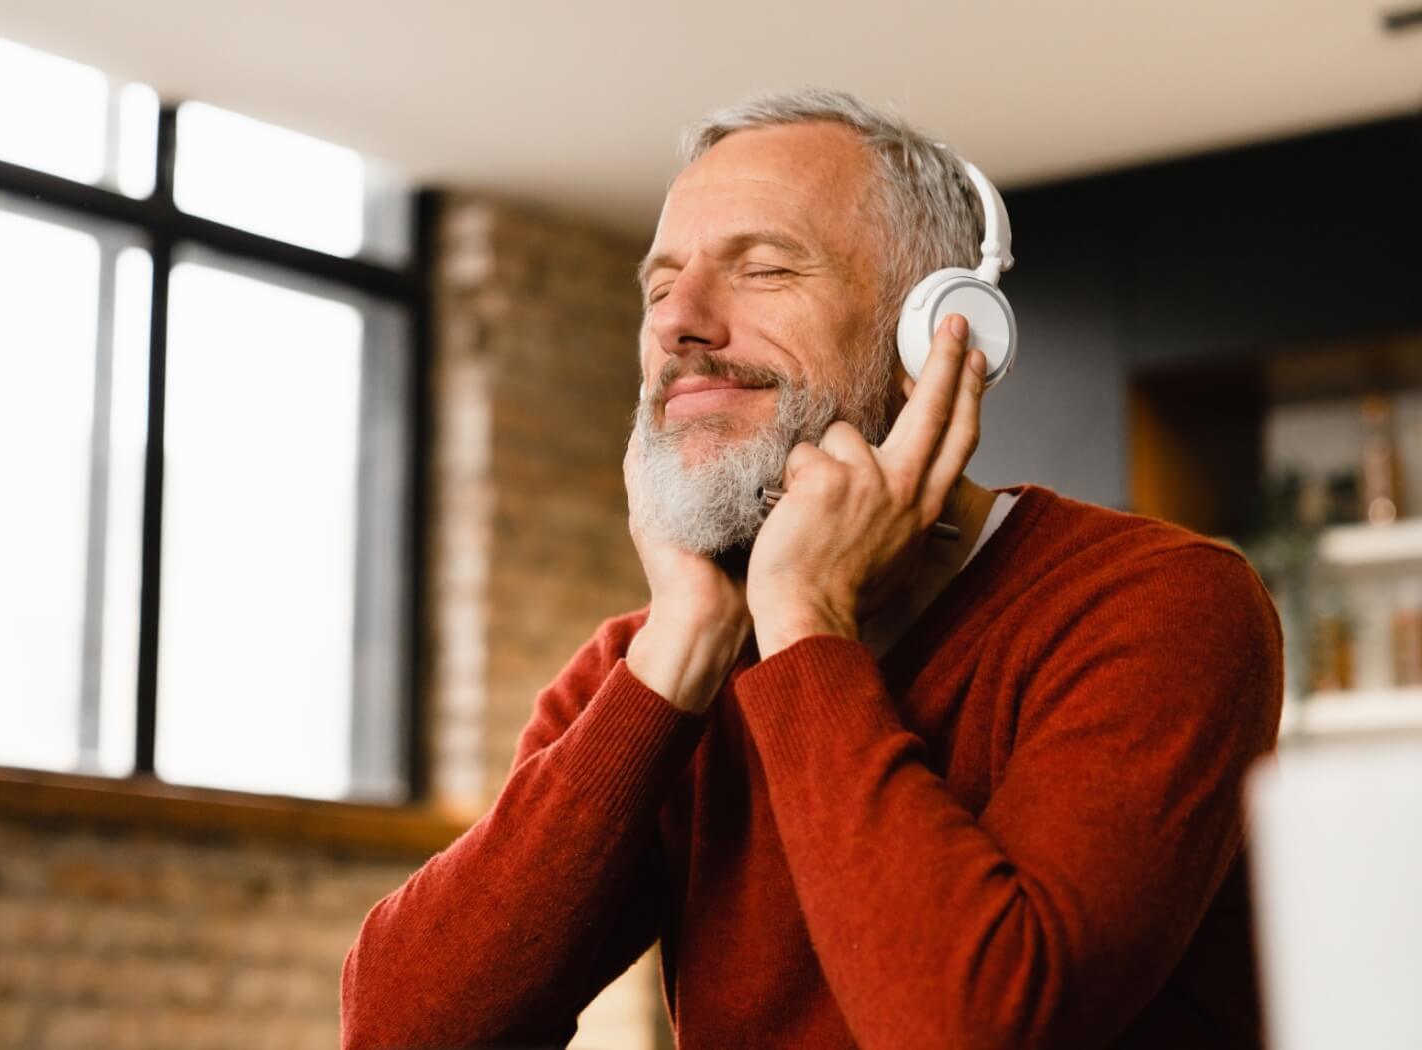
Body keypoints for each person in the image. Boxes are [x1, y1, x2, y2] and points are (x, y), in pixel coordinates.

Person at [341, 89, 1282, 1049]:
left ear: (937, 335)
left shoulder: (1158, 606)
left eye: (762, 269)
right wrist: (682, 649)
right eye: (660, 288)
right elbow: (404, 1031)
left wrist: (803, 617)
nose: (681, 326)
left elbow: (974, 1029)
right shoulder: (654, 663)